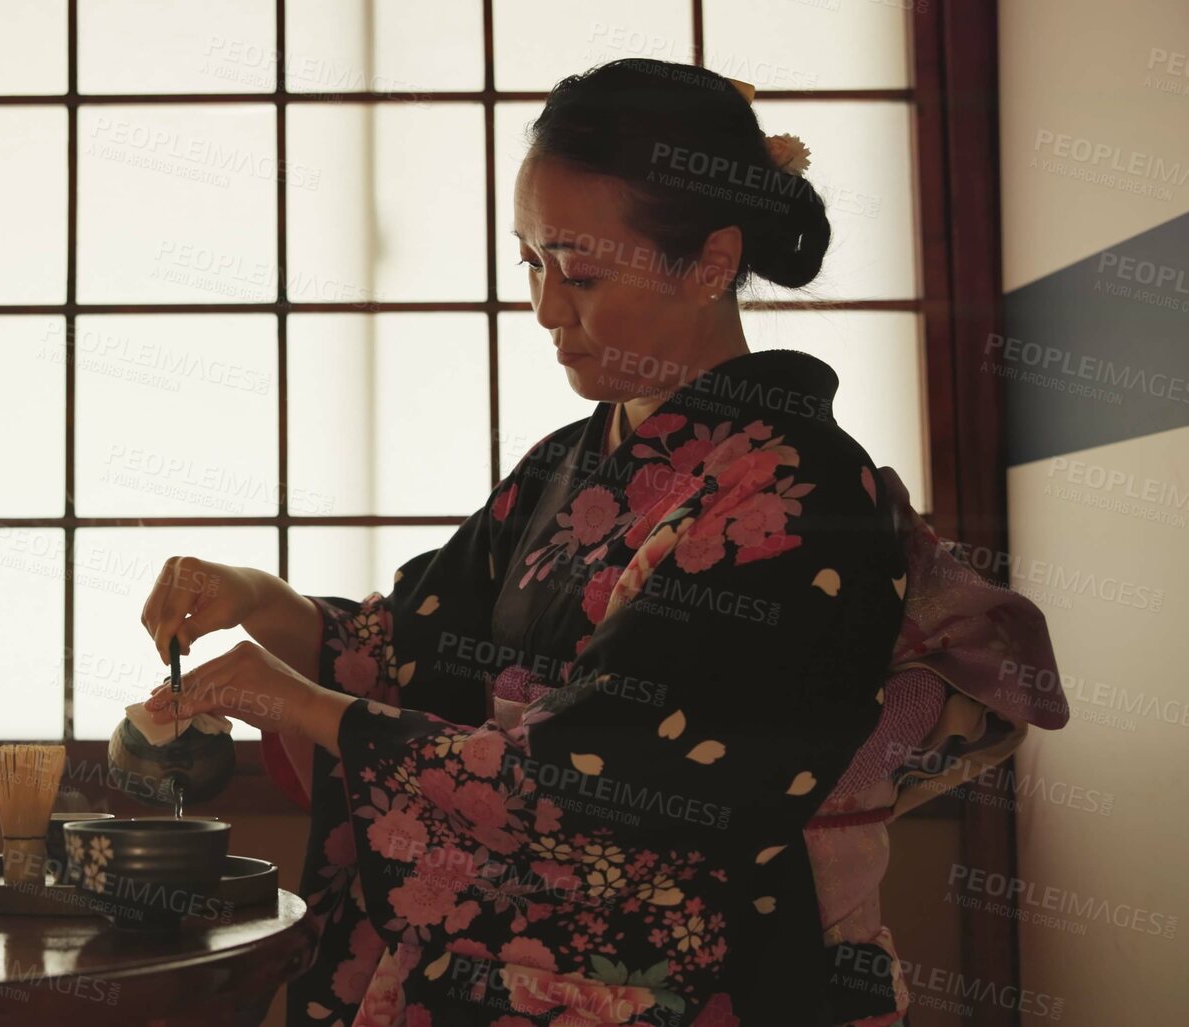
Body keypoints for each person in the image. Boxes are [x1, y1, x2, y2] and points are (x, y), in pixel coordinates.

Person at [138, 59, 1062, 1027]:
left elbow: (618, 780)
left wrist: (306, 705)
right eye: (530, 263)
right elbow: (418, 651)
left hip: (700, 964)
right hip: (507, 966)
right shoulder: (565, 464)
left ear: (710, 261)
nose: (544, 309)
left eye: (580, 272)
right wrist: (258, 598)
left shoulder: (800, 488)